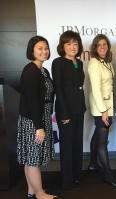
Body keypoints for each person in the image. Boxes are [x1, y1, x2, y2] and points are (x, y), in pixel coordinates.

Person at [17, 36, 58, 199]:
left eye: (46, 48)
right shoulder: (30, 70)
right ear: (32, 50)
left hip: (40, 117)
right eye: (40, 48)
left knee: (30, 158)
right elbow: (32, 101)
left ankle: (31, 191)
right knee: (33, 158)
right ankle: (41, 193)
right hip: (34, 121)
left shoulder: (43, 70)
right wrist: (39, 127)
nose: (44, 51)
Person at [87, 34, 116, 187]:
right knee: (102, 142)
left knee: (97, 135)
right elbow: (95, 89)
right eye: (99, 45)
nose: (102, 47)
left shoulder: (106, 62)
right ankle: (108, 175)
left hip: (107, 106)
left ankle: (93, 163)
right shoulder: (94, 63)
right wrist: (103, 111)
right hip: (101, 108)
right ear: (95, 48)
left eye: (105, 44)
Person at [51, 30, 86, 190]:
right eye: (68, 44)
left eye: (75, 43)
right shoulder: (58, 63)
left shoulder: (79, 62)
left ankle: (77, 177)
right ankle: (67, 181)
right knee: (67, 146)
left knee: (78, 144)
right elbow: (58, 88)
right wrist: (64, 113)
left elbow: (79, 86)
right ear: (62, 46)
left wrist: (82, 107)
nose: (72, 47)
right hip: (66, 111)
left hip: (79, 109)